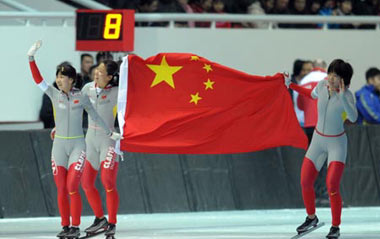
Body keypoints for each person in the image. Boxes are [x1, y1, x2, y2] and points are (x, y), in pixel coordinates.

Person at [27, 40, 122, 239]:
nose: (59, 80)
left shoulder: (90, 95)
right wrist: (31, 58)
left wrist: (111, 133)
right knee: (70, 186)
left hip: (86, 144)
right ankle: (74, 224)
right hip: (66, 144)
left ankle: (96, 224)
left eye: (62, 77)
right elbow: (38, 81)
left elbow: (95, 115)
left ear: (71, 80)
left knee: (85, 184)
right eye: (57, 77)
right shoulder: (64, 92)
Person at [285, 59, 357, 239]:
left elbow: (354, 117)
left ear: (344, 80)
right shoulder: (322, 85)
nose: (331, 78)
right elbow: (311, 94)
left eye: (336, 75)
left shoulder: (347, 96)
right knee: (305, 181)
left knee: (332, 184)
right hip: (318, 140)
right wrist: (291, 85)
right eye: (330, 73)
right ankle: (311, 217)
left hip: (337, 144)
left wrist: (341, 98)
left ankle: (335, 226)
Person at [81, 60, 120, 238]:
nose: (97, 73)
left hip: (108, 141)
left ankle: (112, 222)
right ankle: (100, 219)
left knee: (107, 182)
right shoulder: (87, 88)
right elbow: (73, 109)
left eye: (102, 72)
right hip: (90, 141)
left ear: (110, 77)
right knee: (86, 183)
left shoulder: (117, 92)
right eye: (97, 70)